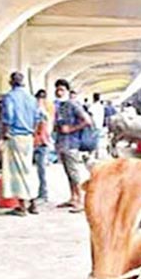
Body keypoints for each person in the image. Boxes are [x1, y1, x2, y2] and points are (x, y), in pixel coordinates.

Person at [0, 72, 40, 216]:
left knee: (17, 172)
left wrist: (4, 134)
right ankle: (33, 203)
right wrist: (33, 132)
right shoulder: (31, 98)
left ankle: (22, 206)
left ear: (11, 82)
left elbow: (8, 117)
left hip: (15, 136)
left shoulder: (10, 97)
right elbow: (37, 117)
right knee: (28, 169)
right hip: (28, 137)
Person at [54, 79, 92, 212]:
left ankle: (80, 201)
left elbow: (87, 121)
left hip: (71, 144)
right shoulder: (60, 106)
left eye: (62, 90)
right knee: (68, 173)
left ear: (67, 91)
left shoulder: (73, 105)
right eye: (57, 89)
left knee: (74, 173)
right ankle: (73, 198)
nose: (59, 92)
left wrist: (71, 129)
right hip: (62, 144)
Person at [33, 89, 52, 202]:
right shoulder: (45, 111)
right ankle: (42, 193)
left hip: (41, 142)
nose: (40, 100)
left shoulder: (41, 112)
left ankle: (43, 194)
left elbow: (41, 129)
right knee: (40, 170)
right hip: (41, 142)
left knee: (41, 170)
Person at [88, 93, 106, 159]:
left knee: (91, 140)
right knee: (97, 140)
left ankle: (91, 155)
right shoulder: (101, 106)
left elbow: (90, 115)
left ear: (93, 98)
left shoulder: (92, 106)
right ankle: (97, 154)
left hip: (93, 125)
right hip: (99, 125)